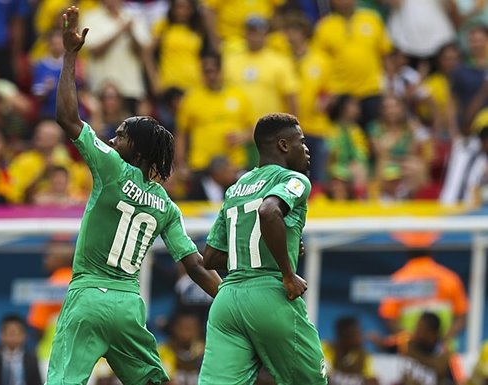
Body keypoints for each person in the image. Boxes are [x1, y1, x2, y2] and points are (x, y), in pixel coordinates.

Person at [46, 8, 221, 385]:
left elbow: (66, 117)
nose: (112, 139)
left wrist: (70, 56)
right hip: (127, 304)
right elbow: (193, 266)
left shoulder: (111, 167)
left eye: (121, 136)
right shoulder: (167, 206)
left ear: (137, 152)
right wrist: (228, 299)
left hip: (88, 295)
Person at [197, 112, 325, 384]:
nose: (307, 149)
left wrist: (276, 245)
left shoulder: (236, 188)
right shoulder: (294, 179)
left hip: (227, 301)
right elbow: (269, 212)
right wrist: (288, 273)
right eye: (301, 142)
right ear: (283, 145)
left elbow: (210, 257)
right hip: (270, 294)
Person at [0, 315, 43, 385]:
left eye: (17, 333)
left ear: (25, 335)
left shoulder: (32, 359)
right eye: (10, 333)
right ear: (1, 334)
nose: (13, 338)